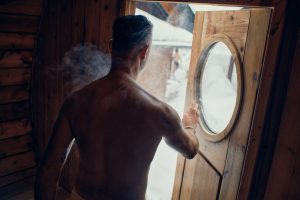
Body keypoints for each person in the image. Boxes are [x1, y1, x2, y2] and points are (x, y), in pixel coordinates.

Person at [35, 15, 199, 200]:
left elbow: (49, 168)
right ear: (144, 51)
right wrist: (190, 125)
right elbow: (190, 150)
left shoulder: (76, 101)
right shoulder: (161, 112)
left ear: (112, 46)